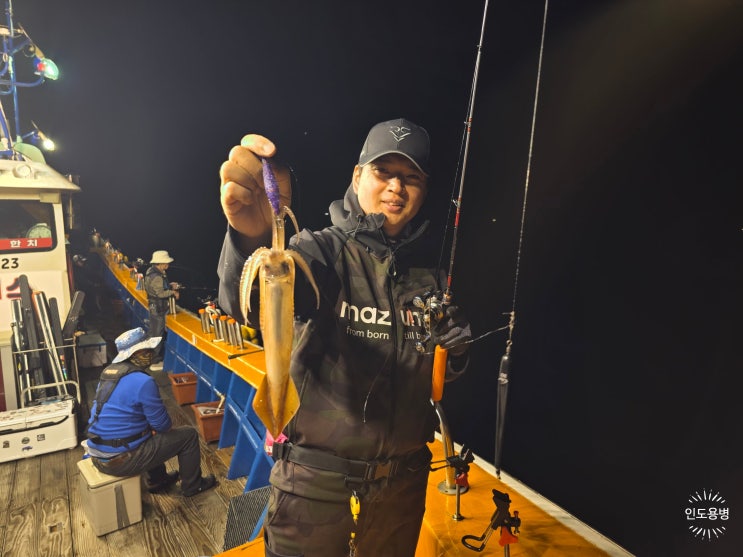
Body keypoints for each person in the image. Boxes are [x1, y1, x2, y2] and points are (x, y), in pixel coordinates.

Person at [217, 118, 472, 557]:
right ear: (357, 176)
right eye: (383, 171)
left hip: (402, 493)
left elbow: (435, 376)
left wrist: (458, 350)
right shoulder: (318, 251)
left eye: (411, 177)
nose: (396, 186)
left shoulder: (429, 278)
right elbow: (256, 298)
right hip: (314, 490)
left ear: (424, 189)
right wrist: (251, 234)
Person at [85, 327, 217, 497]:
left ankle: (157, 480)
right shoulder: (143, 381)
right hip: (120, 461)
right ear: (135, 354)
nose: (152, 353)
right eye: (147, 350)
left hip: (97, 455)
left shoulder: (109, 373)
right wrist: (153, 427)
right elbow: (163, 426)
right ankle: (193, 485)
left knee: (147, 431)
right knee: (188, 436)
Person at [144, 250, 179, 371]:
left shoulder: (151, 271)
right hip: (158, 308)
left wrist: (169, 285)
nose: (168, 265)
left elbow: (156, 288)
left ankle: (149, 357)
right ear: (161, 263)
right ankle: (155, 361)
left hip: (153, 307)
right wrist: (173, 292)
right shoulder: (158, 276)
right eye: (166, 263)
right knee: (157, 335)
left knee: (153, 332)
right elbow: (160, 293)